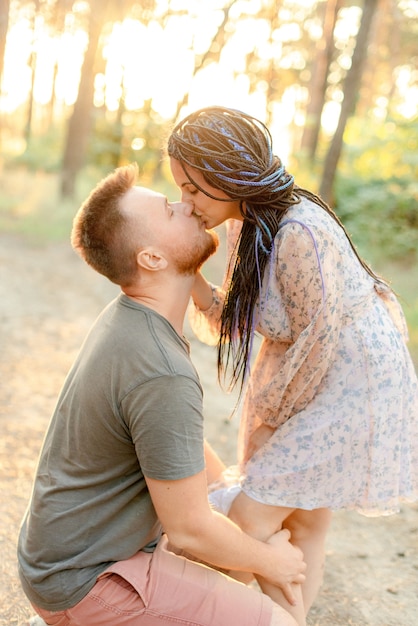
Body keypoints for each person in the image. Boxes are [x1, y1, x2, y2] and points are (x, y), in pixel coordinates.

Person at [17, 164, 307, 626]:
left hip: (62, 559)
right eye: (171, 210)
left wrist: (234, 498)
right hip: (88, 582)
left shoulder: (130, 317)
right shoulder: (159, 369)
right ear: (151, 259)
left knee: (242, 533)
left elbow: (167, 442)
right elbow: (190, 530)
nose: (189, 204)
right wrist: (273, 561)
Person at [167, 105, 418, 625]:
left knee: (248, 521)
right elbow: (232, 322)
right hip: (311, 371)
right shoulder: (245, 224)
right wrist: (187, 272)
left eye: (193, 188)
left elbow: (316, 345)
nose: (185, 201)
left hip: (351, 380)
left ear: (226, 175)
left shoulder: (298, 231)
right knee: (302, 523)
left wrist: (271, 422)